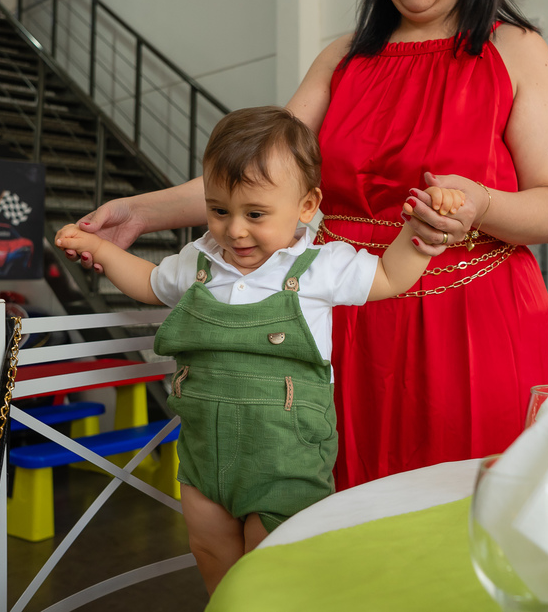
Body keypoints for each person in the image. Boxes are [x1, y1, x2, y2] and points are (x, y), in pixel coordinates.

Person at [63, 0, 548, 488]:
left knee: (468, 513)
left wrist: (482, 204)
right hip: (339, 313)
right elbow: (259, 179)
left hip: (471, 322)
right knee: (336, 508)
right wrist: (141, 211)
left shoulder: (515, 50)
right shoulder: (344, 58)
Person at [55, 106, 461, 594]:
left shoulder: (319, 266)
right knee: (209, 550)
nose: (235, 230)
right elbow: (148, 283)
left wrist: (420, 235)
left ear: (306, 206)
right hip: (205, 457)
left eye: (255, 214)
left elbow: (389, 276)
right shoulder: (200, 261)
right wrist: (102, 252)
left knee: (274, 568)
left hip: (286, 461)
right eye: (219, 210)